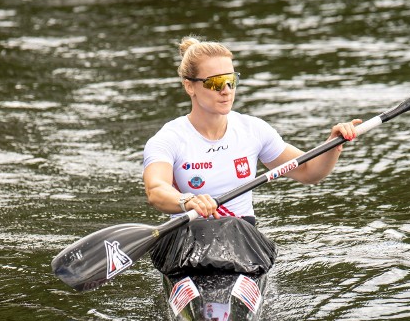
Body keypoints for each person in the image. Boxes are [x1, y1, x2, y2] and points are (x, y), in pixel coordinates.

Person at [143, 36, 361, 224]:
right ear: (189, 86)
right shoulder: (169, 138)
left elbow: (309, 172)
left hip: (241, 236)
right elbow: (156, 190)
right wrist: (188, 201)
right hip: (187, 236)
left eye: (231, 81)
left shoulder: (253, 130)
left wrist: (333, 144)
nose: (226, 91)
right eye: (215, 83)